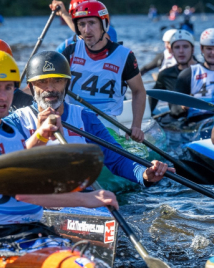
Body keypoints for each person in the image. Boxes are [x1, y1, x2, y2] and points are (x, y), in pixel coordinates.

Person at [0, 50, 118, 238]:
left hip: (17, 229)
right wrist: (86, 198)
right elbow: (17, 190)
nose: (3, 96)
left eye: (8, 88)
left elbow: (23, 167)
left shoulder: (9, 129)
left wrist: (42, 136)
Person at [11, 50, 170, 187]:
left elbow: (118, 160)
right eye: (42, 82)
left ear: (67, 84)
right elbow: (6, 166)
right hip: (36, 199)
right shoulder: (17, 121)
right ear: (31, 87)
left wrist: (145, 174)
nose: (50, 88)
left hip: (79, 199)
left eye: (57, 81)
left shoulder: (84, 118)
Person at [62, 0, 147, 142]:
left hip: (106, 122)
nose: (86, 30)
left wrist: (136, 126)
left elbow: (138, 91)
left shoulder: (125, 56)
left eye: (92, 23)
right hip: (73, 119)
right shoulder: (70, 52)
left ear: (104, 25)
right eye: (82, 24)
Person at [175, 28, 214, 123]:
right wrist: (182, 106)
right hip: (198, 121)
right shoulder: (188, 74)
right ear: (202, 49)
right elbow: (175, 107)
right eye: (209, 49)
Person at [149, 30, 198, 115]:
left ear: (192, 49)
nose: (181, 51)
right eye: (177, 47)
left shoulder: (206, 71)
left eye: (185, 47)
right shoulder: (166, 75)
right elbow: (151, 102)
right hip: (178, 120)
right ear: (171, 51)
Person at [50, 0, 118, 54]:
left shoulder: (108, 31)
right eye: (82, 22)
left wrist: (63, 14)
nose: (87, 30)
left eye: (91, 22)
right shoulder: (67, 44)